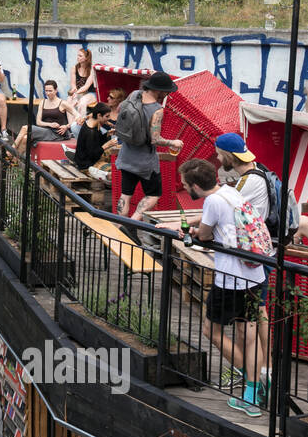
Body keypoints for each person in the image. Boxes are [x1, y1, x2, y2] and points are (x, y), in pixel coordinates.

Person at [172, 158, 268, 416]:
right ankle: (252, 392)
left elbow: (203, 235)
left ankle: (255, 384)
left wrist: (189, 232)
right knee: (249, 334)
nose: (184, 188)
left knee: (210, 330)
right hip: (254, 274)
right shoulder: (230, 191)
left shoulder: (212, 202)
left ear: (194, 186)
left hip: (231, 279)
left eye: (184, 184)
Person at [214, 132, 308, 250]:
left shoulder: (250, 181)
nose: (217, 158)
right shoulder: (257, 168)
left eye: (219, 154)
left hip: (259, 245)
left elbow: (223, 212)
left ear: (228, 156)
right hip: (271, 234)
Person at [115, 72, 183, 222]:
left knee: (125, 194)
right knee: (153, 194)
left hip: (126, 155)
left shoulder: (134, 95)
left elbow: (120, 110)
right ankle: (133, 221)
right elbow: (155, 139)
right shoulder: (157, 110)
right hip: (145, 162)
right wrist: (173, 142)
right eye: (166, 91)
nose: (167, 94)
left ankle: (121, 225)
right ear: (159, 90)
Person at [13, 80, 73, 155]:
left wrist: (66, 126)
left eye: (50, 91)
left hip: (57, 133)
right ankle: (15, 162)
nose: (48, 93)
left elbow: (74, 119)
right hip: (45, 130)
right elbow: (38, 122)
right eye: (46, 91)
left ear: (56, 90)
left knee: (25, 128)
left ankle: (11, 149)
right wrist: (50, 124)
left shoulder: (63, 103)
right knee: (25, 138)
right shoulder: (42, 102)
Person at [74, 102, 113, 180]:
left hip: (91, 159)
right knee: (114, 171)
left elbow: (97, 141)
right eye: (107, 116)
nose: (109, 119)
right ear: (99, 115)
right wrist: (106, 145)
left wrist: (107, 135)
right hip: (87, 164)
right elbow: (92, 154)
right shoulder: (90, 132)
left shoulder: (93, 123)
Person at [66, 47, 98, 119]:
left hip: (90, 93)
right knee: (68, 102)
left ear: (86, 58)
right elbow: (73, 84)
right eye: (77, 55)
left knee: (82, 103)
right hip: (78, 92)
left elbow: (86, 86)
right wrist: (74, 93)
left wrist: (77, 94)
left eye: (80, 56)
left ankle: (81, 123)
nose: (77, 57)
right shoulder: (74, 68)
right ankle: (71, 125)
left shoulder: (92, 69)